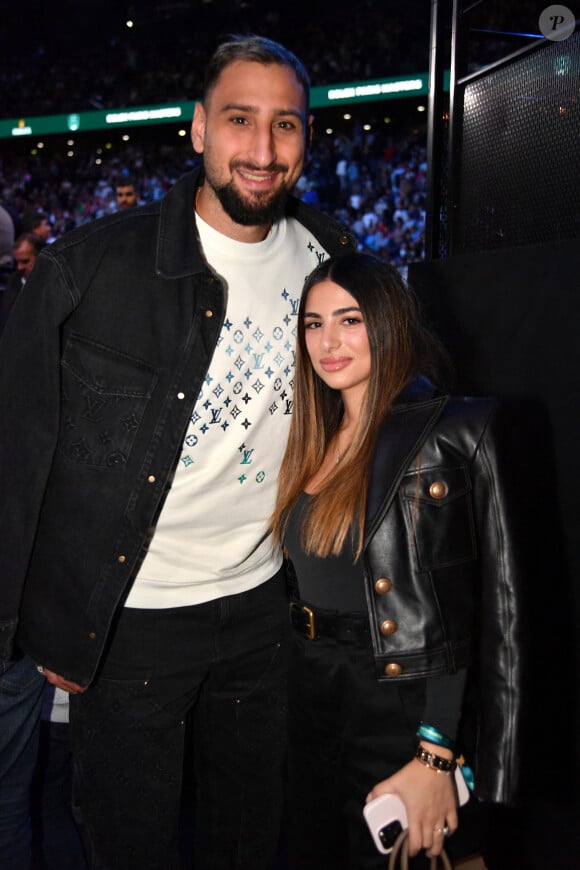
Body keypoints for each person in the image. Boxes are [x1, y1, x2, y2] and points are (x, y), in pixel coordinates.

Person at [0, 35, 355, 870]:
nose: (264, 152)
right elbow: (17, 460)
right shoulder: (86, 270)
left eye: (286, 126)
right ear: (197, 129)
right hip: (130, 622)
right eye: (240, 120)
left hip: (268, 611)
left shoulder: (334, 260)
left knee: (247, 837)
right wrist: (40, 628)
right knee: (131, 844)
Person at [271, 252, 526, 868]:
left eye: (349, 320)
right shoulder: (310, 435)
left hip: (398, 703)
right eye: (312, 323)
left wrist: (436, 752)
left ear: (388, 323)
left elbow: (477, 613)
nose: (327, 342)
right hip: (308, 692)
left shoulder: (444, 434)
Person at [0, 232, 46, 333]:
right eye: (17, 262)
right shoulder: (14, 279)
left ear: (40, 257)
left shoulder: (52, 285)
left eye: (25, 261)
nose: (19, 267)